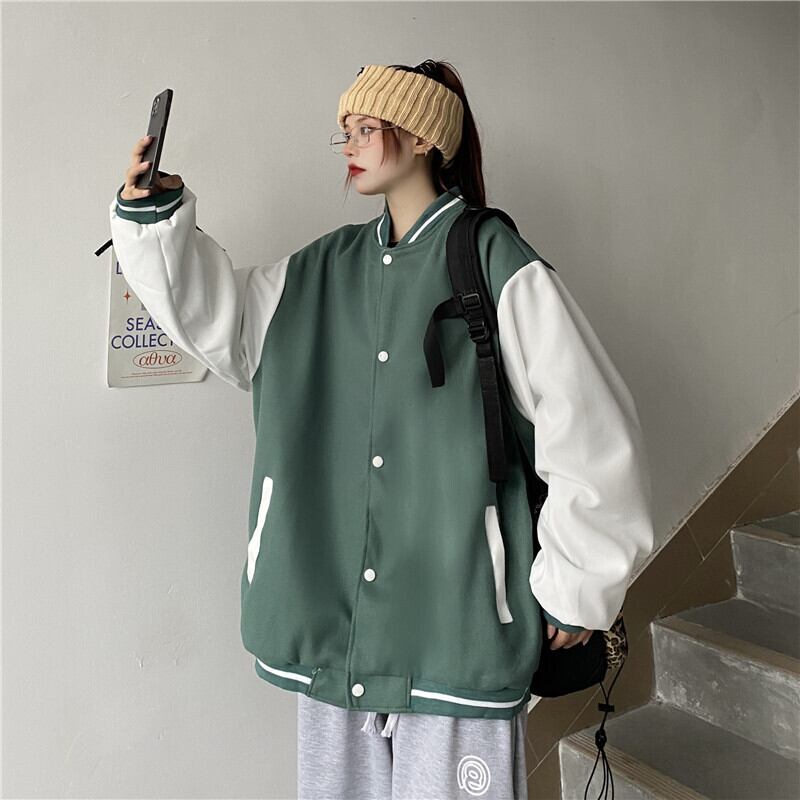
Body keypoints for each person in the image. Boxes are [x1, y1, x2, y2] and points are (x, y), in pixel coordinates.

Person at [109, 60, 655, 800]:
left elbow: (591, 427)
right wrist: (157, 220)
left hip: (458, 629)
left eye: (369, 128)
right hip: (330, 632)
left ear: (424, 137)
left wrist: (576, 586)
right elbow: (218, 321)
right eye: (346, 131)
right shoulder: (320, 270)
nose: (351, 145)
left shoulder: (494, 261)